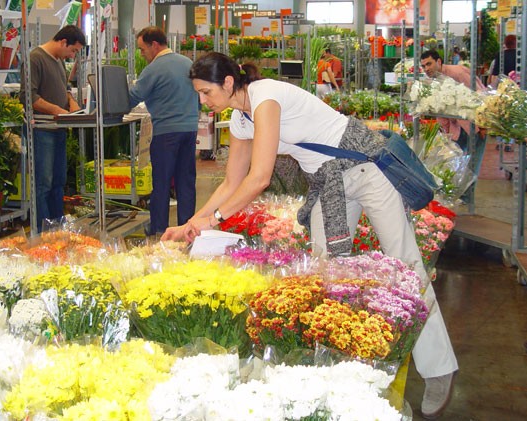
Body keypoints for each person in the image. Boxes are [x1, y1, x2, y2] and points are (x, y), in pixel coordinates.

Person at [162, 52, 458, 419]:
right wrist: (192, 222)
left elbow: (260, 178)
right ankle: (344, 363)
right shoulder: (240, 120)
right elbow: (230, 182)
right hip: (328, 183)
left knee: (407, 264)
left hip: (367, 168)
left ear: (227, 83)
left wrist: (216, 218)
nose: (203, 102)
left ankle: (439, 366)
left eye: (206, 93)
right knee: (325, 272)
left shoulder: (266, 95)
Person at [129, 26, 199, 236]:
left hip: (166, 132)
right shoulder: (187, 63)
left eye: (143, 49)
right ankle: (187, 228)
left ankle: (159, 229)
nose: (142, 54)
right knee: (185, 182)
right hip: (190, 129)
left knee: (161, 183)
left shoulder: (154, 68)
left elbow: (134, 96)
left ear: (155, 45)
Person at [21, 25, 86, 232]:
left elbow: (65, 89)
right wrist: (57, 110)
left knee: (59, 181)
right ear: (63, 42)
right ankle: (42, 230)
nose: (72, 55)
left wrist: (72, 104)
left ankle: (57, 227)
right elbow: (29, 96)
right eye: (73, 50)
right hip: (42, 130)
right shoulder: (35, 59)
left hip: (58, 128)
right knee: (44, 183)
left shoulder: (58, 62)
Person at [420, 49, 488, 174]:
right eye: (423, 66)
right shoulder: (434, 80)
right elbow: (442, 108)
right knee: (455, 167)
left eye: (429, 64)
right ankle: (460, 192)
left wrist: (483, 126)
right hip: (456, 128)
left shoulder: (457, 73)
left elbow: (480, 96)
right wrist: (445, 132)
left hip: (473, 126)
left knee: (471, 170)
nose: (426, 69)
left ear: (439, 61)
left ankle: (467, 193)